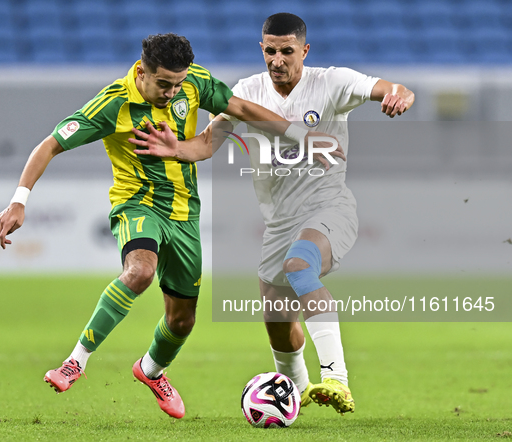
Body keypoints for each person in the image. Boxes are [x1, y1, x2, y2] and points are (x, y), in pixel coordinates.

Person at [0, 33, 330, 419]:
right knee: (140, 271)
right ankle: (76, 361)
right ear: (142, 72)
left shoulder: (192, 81)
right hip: (136, 204)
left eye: (178, 84)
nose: (173, 92)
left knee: (182, 319)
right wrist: (19, 200)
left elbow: (239, 107)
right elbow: (50, 144)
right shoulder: (113, 104)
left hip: (185, 213)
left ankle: (152, 370)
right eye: (164, 84)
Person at [130, 14, 415, 415]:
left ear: (304, 50)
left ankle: (337, 379)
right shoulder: (248, 91)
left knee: (300, 266)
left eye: (286, 51)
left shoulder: (331, 82)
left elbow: (388, 87)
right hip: (279, 223)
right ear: (261, 49)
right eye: (269, 50)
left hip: (329, 207)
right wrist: (174, 148)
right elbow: (208, 144)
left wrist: (401, 94)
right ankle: (298, 392)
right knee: (278, 320)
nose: (277, 59)